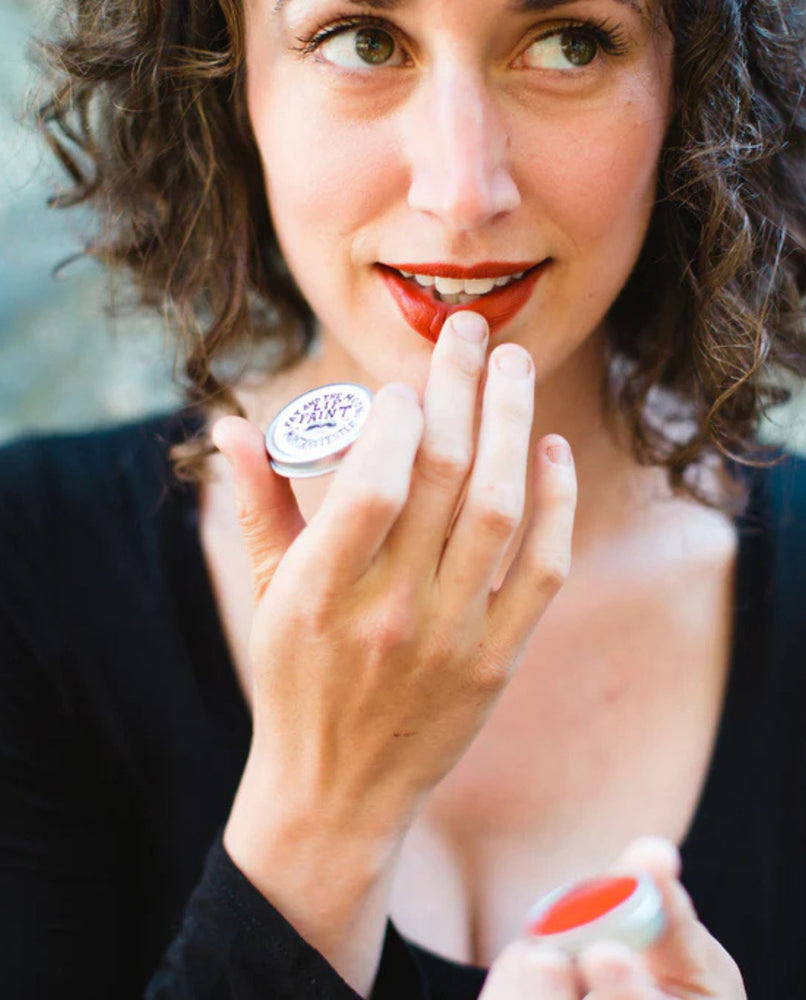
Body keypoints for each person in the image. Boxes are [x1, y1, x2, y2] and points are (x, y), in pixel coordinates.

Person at [2, 0, 805, 997]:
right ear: (224, 79)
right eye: (362, 42)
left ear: (692, 92)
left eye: (567, 43)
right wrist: (324, 809)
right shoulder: (27, 573)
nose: (461, 192)